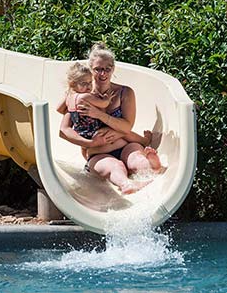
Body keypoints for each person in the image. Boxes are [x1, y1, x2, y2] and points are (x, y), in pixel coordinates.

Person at [59, 42, 162, 194]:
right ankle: (126, 184)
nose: (103, 74)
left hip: (126, 145)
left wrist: (99, 114)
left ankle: (153, 166)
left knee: (136, 160)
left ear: (113, 69)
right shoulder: (81, 97)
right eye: (98, 69)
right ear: (90, 70)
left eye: (107, 69)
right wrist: (90, 142)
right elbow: (63, 131)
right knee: (116, 167)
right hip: (98, 153)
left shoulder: (124, 93)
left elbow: (127, 126)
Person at [57, 62, 152, 160]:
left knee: (119, 131)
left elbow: (59, 109)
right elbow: (104, 104)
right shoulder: (86, 96)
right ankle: (145, 141)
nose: (89, 86)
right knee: (121, 131)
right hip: (94, 134)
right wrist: (107, 99)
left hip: (83, 133)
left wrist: (72, 103)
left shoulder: (71, 97)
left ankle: (87, 158)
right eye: (98, 69)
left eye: (89, 82)